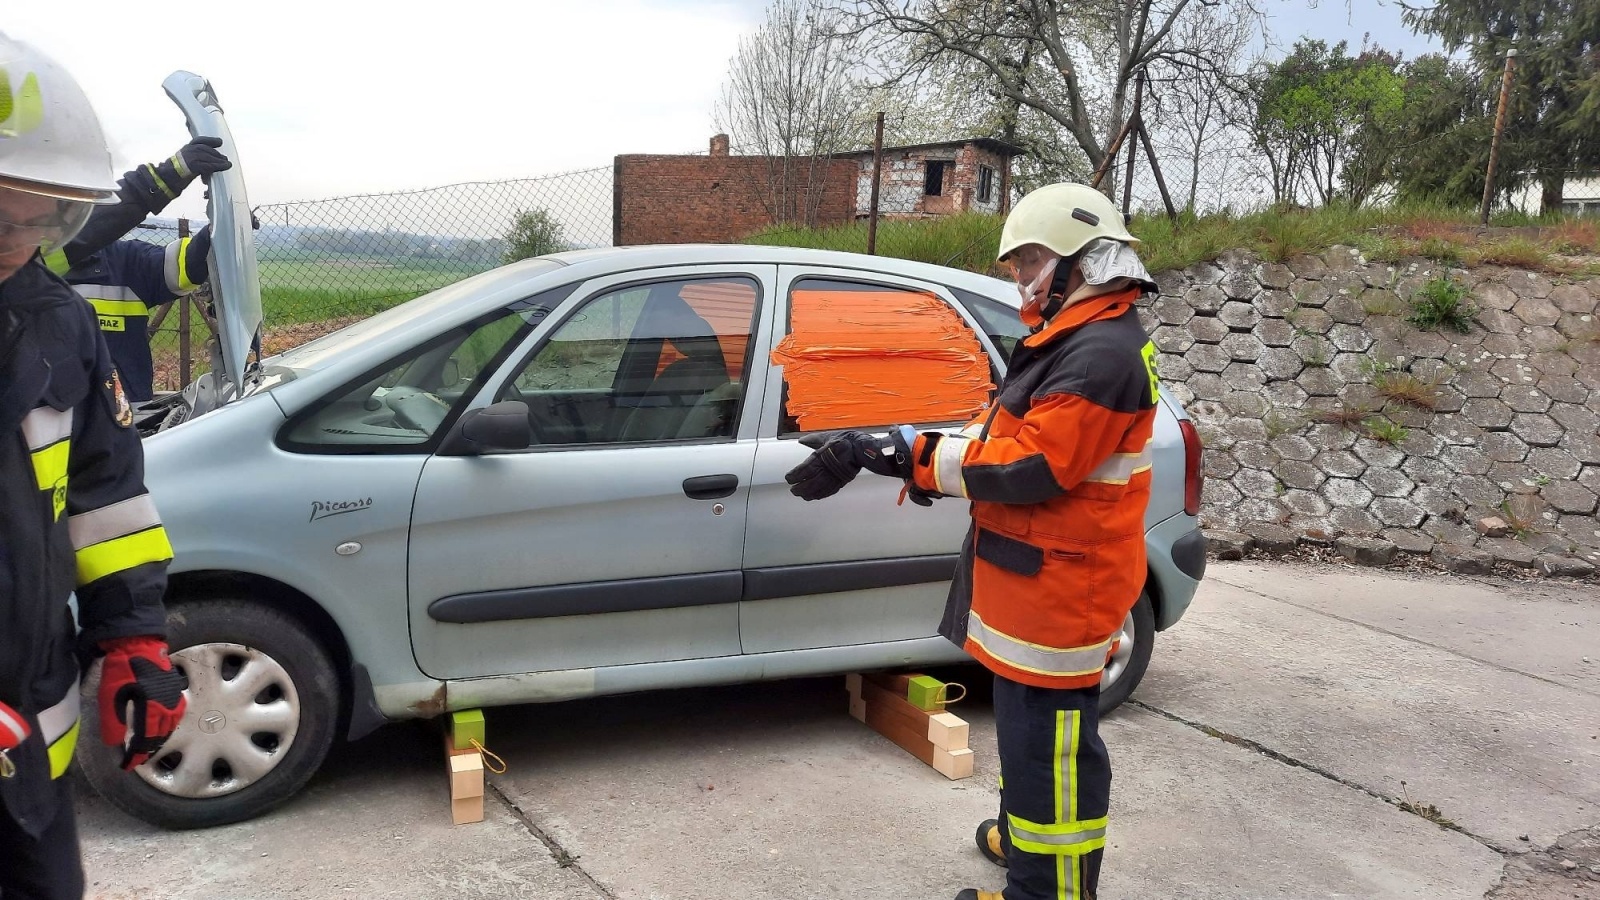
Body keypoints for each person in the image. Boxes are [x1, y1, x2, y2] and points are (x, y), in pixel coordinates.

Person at [784, 182, 1161, 900]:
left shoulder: (1099, 355)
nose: (1020, 279)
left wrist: (910, 456)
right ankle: (1024, 845)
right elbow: (1004, 440)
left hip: (1060, 592)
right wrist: (903, 448)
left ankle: (1046, 890)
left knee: (1049, 750)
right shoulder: (1073, 343)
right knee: (1026, 744)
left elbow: (1031, 467)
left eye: (1029, 262)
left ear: (1081, 263)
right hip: (1038, 581)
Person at [0, 32, 187, 898]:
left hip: (27, 749)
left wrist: (134, 638)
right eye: (6, 214)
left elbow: (108, 501)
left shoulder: (55, 321)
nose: (25, 241)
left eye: (50, 217)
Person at [43, 136, 233, 401]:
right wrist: (170, 175)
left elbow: (185, 266)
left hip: (129, 422)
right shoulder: (27, 261)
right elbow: (78, 236)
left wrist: (219, 232)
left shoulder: (125, 261)